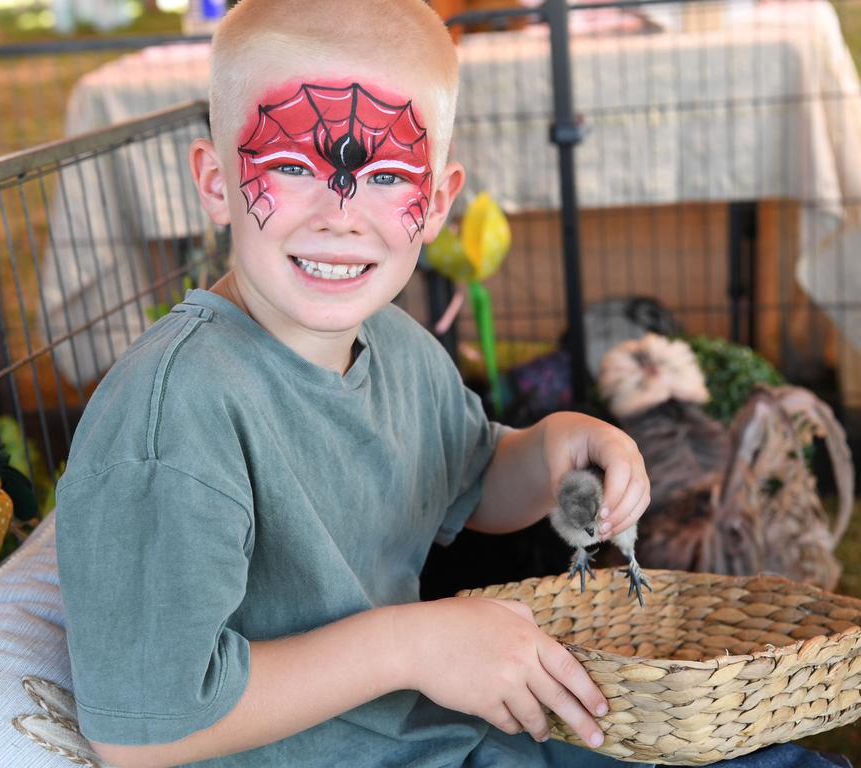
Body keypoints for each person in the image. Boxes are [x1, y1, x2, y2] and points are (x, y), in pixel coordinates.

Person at [53, 2, 846, 767]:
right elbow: (143, 729)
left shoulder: (396, 344)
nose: (341, 215)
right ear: (217, 183)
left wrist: (555, 447)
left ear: (435, 203)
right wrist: (415, 642)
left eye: (387, 177)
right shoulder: (176, 415)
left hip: (444, 737)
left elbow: (471, 477)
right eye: (293, 164)